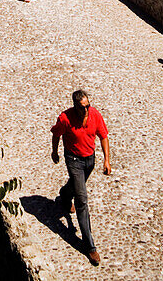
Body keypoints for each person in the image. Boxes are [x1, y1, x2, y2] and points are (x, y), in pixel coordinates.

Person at [52, 89, 111, 266]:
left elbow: (104, 136)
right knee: (82, 200)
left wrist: (107, 160)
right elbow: (56, 134)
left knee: (76, 187)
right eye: (82, 107)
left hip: (89, 160)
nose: (86, 110)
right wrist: (54, 151)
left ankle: (64, 195)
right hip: (74, 160)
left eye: (88, 106)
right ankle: (90, 246)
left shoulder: (95, 115)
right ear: (75, 106)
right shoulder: (65, 118)